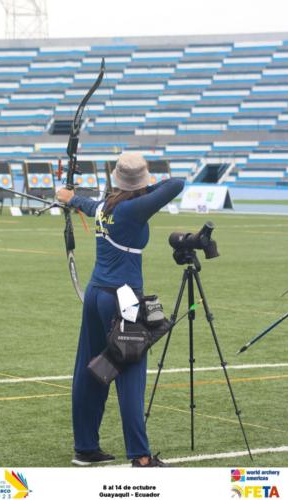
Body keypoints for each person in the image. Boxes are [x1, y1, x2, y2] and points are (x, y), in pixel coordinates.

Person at [57, 152, 185, 467]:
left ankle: (85, 448)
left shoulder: (105, 206)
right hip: (123, 300)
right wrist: (144, 184)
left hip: (96, 295)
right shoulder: (133, 208)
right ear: (138, 181)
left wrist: (71, 197)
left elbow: (85, 204)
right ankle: (140, 456)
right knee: (130, 376)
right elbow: (177, 183)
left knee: (90, 368)